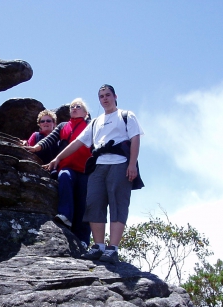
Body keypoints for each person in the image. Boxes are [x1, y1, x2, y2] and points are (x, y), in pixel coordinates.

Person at [46, 85, 143, 264]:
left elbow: (135, 139)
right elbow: (77, 142)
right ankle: (99, 246)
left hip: (120, 163)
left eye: (107, 95)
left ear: (115, 96)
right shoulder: (96, 122)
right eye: (101, 96)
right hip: (98, 165)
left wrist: (132, 165)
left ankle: (112, 248)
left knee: (117, 203)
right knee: (93, 204)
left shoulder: (126, 116)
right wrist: (58, 158)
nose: (104, 99)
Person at [29, 99, 92, 247]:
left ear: (85, 113)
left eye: (78, 106)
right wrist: (36, 148)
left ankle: (83, 240)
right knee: (64, 176)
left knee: (83, 203)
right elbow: (50, 138)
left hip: (85, 170)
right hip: (67, 167)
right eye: (72, 107)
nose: (74, 108)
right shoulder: (63, 126)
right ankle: (65, 216)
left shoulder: (90, 126)